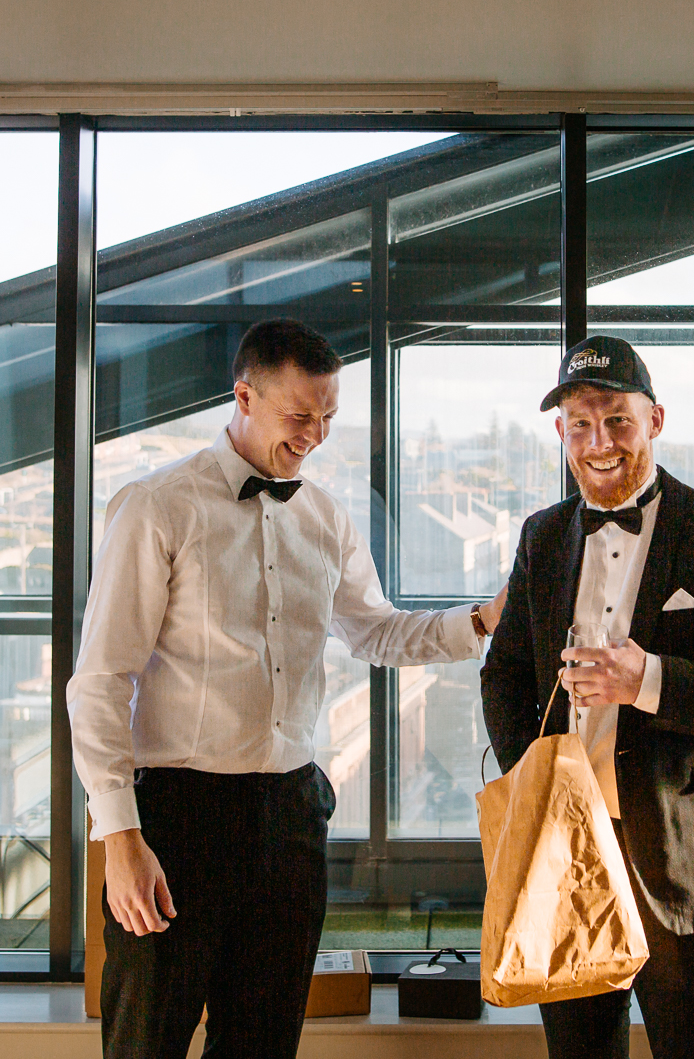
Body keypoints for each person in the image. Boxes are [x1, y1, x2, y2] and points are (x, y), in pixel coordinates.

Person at [69, 318, 503, 1059]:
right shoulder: (157, 506)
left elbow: (375, 632)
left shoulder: (326, 516)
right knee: (147, 1043)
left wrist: (484, 621)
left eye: (328, 417)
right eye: (299, 415)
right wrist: (121, 838)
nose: (315, 435)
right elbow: (100, 682)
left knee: (264, 1046)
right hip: (176, 816)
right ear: (243, 395)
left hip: (290, 816)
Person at [480, 334, 694, 1059]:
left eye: (618, 421)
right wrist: (537, 781)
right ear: (561, 432)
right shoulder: (541, 536)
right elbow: (503, 674)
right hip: (566, 858)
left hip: (692, 866)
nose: (598, 442)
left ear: (655, 421)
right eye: (580, 424)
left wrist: (651, 682)